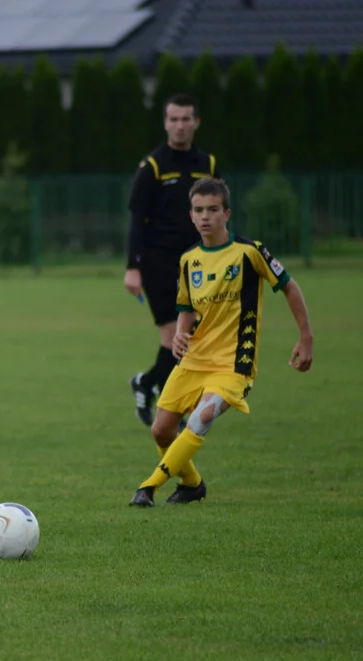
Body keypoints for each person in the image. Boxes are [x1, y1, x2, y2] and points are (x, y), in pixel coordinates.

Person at [129, 178, 314, 507]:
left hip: (234, 364)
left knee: (202, 417)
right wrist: (180, 336)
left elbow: (289, 286)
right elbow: (185, 308)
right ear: (191, 215)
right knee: (161, 431)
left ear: (226, 213)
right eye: (198, 210)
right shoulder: (189, 260)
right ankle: (192, 485)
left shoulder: (249, 252)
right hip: (194, 360)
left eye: (212, 210)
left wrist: (306, 337)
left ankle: (149, 486)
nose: (205, 217)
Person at [124, 93, 219, 427]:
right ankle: (174, 412)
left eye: (186, 119)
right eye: (174, 119)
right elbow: (137, 219)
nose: (180, 125)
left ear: (196, 122)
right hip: (159, 264)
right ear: (165, 123)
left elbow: (219, 213)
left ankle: (148, 383)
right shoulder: (153, 166)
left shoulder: (206, 165)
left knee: (188, 338)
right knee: (174, 337)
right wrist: (133, 267)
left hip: (198, 266)